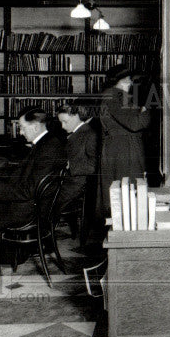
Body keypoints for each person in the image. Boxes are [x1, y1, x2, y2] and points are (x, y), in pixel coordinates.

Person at [0, 107, 66, 253]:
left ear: (35, 127)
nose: (21, 132)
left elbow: (30, 190)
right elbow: (23, 173)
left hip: (28, 211)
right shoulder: (46, 143)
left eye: (22, 127)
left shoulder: (48, 149)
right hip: (28, 205)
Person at [98, 65, 150, 220]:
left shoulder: (114, 96)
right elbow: (135, 124)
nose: (130, 83)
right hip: (124, 150)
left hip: (120, 148)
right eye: (127, 79)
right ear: (119, 81)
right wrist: (146, 111)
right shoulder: (117, 96)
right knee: (127, 195)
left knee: (122, 194)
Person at [55, 101, 99, 242]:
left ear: (75, 116)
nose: (62, 126)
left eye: (65, 122)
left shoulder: (89, 134)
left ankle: (41, 236)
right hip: (67, 181)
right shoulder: (76, 133)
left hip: (77, 185)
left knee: (42, 198)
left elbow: (95, 165)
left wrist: (70, 165)